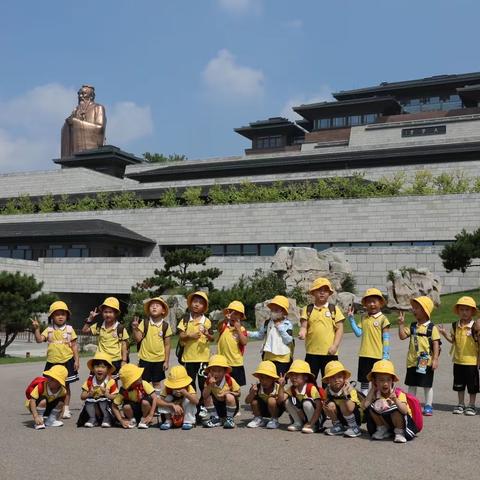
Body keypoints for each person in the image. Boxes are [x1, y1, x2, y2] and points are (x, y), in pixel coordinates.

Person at [31, 300, 79, 419]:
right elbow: (39, 340)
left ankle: (66, 408)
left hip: (67, 361)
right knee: (49, 386)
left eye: (63, 314)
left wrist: (77, 360)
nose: (60, 316)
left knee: (66, 386)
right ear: (52, 316)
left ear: (67, 315)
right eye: (57, 314)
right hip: (52, 362)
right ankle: (49, 407)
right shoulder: (49, 330)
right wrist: (36, 329)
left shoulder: (69, 329)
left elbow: (74, 346)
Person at [398, 296, 440, 416]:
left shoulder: (432, 328)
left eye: (417, 308)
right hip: (412, 361)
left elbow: (436, 343)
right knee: (412, 384)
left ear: (425, 310)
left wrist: (435, 359)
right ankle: (411, 404)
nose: (414, 310)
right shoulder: (412, 326)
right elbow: (402, 336)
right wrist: (401, 324)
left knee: (427, 384)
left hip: (425, 361)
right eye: (414, 308)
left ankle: (428, 405)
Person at [438, 296, 480, 416]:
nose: (464, 312)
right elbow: (453, 341)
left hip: (472, 362)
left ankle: (471, 405)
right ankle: (460, 404)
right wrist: (445, 334)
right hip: (458, 361)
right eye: (462, 310)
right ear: (458, 311)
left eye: (467, 310)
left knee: (473, 386)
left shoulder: (475, 326)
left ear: (472, 311)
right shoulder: (455, 325)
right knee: (459, 385)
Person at [299, 278, 345, 383]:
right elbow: (304, 326)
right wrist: (302, 332)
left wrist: (335, 346)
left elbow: (340, 329)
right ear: (313, 292)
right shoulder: (307, 309)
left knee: (331, 380)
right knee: (309, 380)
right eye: (319, 289)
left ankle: (329, 399)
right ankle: (311, 399)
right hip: (312, 352)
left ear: (329, 293)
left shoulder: (333, 309)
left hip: (330, 353)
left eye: (325, 290)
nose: (322, 292)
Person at [362, 360, 418, 443]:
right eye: (381, 380)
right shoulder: (375, 393)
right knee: (371, 407)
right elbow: (365, 406)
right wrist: (373, 388)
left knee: (395, 409)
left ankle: (399, 432)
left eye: (388, 380)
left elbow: (404, 411)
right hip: (388, 423)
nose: (385, 383)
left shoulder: (398, 393)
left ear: (392, 381)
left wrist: (395, 399)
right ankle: (382, 429)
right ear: (375, 381)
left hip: (404, 424)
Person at [348, 288, 390, 395]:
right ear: (365, 304)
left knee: (377, 380)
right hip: (364, 354)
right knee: (364, 380)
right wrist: (351, 319)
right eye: (369, 302)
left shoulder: (383, 319)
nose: (372, 304)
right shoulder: (364, 318)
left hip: (378, 355)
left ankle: (376, 399)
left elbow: (386, 338)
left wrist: (385, 355)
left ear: (380, 303)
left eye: (374, 301)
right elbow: (358, 333)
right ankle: (364, 398)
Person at [131, 296, 172, 398]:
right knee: (144, 382)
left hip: (159, 360)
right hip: (145, 359)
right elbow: (138, 339)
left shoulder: (166, 326)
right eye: (152, 305)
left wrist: (166, 361)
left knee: (157, 383)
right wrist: (135, 329)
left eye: (157, 305)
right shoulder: (144, 323)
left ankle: (157, 403)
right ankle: (146, 402)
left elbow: (167, 345)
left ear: (163, 311)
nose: (154, 307)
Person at [82, 297, 129, 378]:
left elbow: (124, 345)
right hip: (100, 359)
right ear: (102, 313)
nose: (107, 314)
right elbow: (85, 330)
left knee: (113, 383)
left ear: (116, 313)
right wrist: (90, 319)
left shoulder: (120, 328)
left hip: (115, 360)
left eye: (110, 312)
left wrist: (124, 360)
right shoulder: (99, 326)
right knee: (97, 382)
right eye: (105, 312)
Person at [177, 291, 214, 394]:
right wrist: (190, 335)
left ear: (204, 306)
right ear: (190, 303)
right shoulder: (185, 319)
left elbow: (212, 338)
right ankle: (193, 405)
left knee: (203, 382)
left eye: (200, 303)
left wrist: (207, 334)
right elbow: (180, 335)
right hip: (188, 359)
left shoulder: (206, 321)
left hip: (203, 358)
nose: (197, 304)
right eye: (195, 301)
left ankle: (203, 404)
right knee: (190, 383)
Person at [248, 295, 294, 376]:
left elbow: (288, 340)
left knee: (280, 382)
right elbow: (260, 335)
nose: (273, 312)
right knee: (268, 380)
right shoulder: (267, 322)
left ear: (283, 312)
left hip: (282, 359)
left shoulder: (287, 324)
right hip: (268, 357)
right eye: (272, 309)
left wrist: (279, 327)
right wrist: (247, 333)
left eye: (276, 310)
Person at [277, 359, 324, 434]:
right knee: (287, 401)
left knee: (307, 403)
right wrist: (281, 387)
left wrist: (311, 423)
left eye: (297, 375)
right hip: (303, 415)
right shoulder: (292, 388)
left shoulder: (311, 387)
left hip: (316, 417)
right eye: (291, 375)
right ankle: (298, 423)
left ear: (305, 377)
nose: (293, 377)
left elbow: (319, 407)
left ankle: (313, 425)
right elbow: (280, 400)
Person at [61, 84, 106, 157]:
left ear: (91, 96)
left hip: (92, 150)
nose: (80, 96)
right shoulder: (76, 111)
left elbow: (100, 128)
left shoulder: (98, 108)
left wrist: (76, 123)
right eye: (79, 94)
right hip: (75, 149)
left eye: (83, 94)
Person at [322, 361, 362, 437]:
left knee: (343, 403)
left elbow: (351, 408)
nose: (336, 380)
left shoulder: (350, 390)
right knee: (329, 404)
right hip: (341, 416)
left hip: (355, 416)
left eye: (339, 376)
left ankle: (354, 427)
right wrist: (326, 408)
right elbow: (327, 411)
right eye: (333, 377)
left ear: (344, 378)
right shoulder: (327, 390)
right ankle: (338, 426)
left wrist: (346, 394)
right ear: (328, 380)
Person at [111, 364, 157, 429]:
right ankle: (132, 420)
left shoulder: (144, 384)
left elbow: (155, 398)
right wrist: (121, 420)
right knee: (126, 407)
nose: (140, 376)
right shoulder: (124, 390)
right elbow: (114, 405)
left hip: (145, 409)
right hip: (132, 411)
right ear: (131, 382)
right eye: (137, 376)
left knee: (145, 402)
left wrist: (150, 415)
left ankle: (144, 418)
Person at [78, 352, 118, 428]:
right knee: (89, 401)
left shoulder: (110, 381)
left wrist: (106, 394)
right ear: (93, 369)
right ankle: (92, 419)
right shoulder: (89, 381)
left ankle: (107, 419)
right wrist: (89, 394)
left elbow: (116, 397)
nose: (99, 369)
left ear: (108, 369)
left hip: (107, 407)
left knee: (103, 400)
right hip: (94, 408)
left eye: (103, 367)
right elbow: (82, 396)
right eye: (97, 366)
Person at [202, 354, 241, 429]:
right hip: (217, 407)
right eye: (213, 370)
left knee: (229, 396)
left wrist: (228, 393)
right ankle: (215, 418)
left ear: (224, 371)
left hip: (230, 406)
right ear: (209, 371)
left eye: (219, 371)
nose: (216, 373)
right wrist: (210, 386)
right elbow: (204, 396)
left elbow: (238, 393)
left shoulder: (229, 380)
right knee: (207, 397)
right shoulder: (208, 381)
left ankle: (229, 419)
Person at [25, 365, 68, 430]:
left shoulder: (63, 391)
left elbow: (63, 402)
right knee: (43, 400)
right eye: (49, 377)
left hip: (48, 407)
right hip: (35, 406)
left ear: (59, 382)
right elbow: (32, 400)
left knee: (60, 402)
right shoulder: (41, 386)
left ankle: (51, 420)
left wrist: (62, 412)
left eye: (53, 379)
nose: (49, 380)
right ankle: (39, 420)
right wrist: (36, 416)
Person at [157, 365, 199, 431]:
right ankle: (168, 421)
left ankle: (188, 421)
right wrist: (172, 405)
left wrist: (186, 394)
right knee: (167, 398)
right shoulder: (167, 388)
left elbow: (196, 401)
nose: (177, 388)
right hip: (172, 410)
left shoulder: (189, 387)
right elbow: (158, 401)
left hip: (185, 410)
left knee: (188, 400)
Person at [245, 360, 284, 429]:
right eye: (262, 378)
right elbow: (247, 401)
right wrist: (252, 393)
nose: (264, 381)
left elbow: (281, 401)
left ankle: (274, 420)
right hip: (262, 410)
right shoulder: (257, 387)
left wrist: (281, 387)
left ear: (273, 379)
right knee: (254, 401)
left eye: (267, 378)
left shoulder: (278, 387)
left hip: (276, 409)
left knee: (271, 400)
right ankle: (258, 419)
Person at [217, 300, 248, 386]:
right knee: (223, 385)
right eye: (232, 313)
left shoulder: (241, 329)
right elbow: (218, 326)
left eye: (237, 314)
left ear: (241, 317)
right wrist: (224, 320)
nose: (233, 316)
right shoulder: (224, 326)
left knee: (236, 386)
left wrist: (238, 329)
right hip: (223, 363)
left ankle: (235, 399)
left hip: (236, 363)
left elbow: (244, 342)